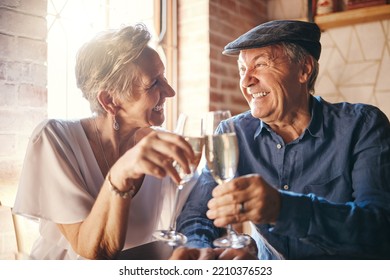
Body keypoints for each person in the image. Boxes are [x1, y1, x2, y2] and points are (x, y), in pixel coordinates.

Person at [176, 20, 390, 259]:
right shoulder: (232, 132)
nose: (246, 81)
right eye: (242, 69)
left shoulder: (363, 125)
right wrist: (201, 247)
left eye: (261, 64)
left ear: (304, 70)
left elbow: (379, 228)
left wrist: (282, 208)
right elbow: (197, 212)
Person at [12, 23, 196, 260]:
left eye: (164, 77)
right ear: (110, 100)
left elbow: (192, 217)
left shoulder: (162, 146)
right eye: (154, 83)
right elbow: (94, 251)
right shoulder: (54, 138)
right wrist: (121, 172)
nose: (170, 91)